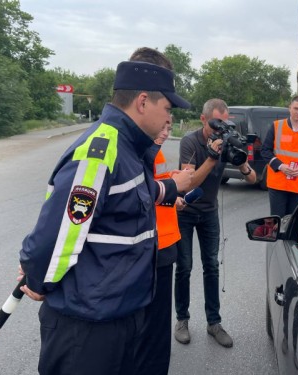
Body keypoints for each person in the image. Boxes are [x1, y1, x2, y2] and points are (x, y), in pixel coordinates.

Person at [18, 59, 192, 375]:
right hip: (86, 328)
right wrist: (37, 279)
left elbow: (132, 199)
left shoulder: (130, 149)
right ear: (143, 102)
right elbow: (56, 234)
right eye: (167, 108)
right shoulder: (102, 150)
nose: (170, 117)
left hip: (116, 316)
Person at [174, 98, 256, 348]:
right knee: (185, 267)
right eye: (215, 125)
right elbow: (188, 183)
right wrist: (211, 157)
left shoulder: (226, 140)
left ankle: (214, 323)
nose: (220, 130)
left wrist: (242, 163)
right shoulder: (190, 141)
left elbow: (253, 179)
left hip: (209, 213)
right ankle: (182, 320)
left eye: (225, 124)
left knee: (211, 265)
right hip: (186, 212)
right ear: (203, 119)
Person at [135, 116, 185, 375]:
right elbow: (142, 193)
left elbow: (158, 184)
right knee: (148, 326)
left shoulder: (154, 150)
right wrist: (172, 189)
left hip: (164, 243)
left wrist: (173, 183)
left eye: (169, 126)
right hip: (149, 246)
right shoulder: (139, 151)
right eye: (162, 124)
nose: (166, 131)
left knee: (157, 326)